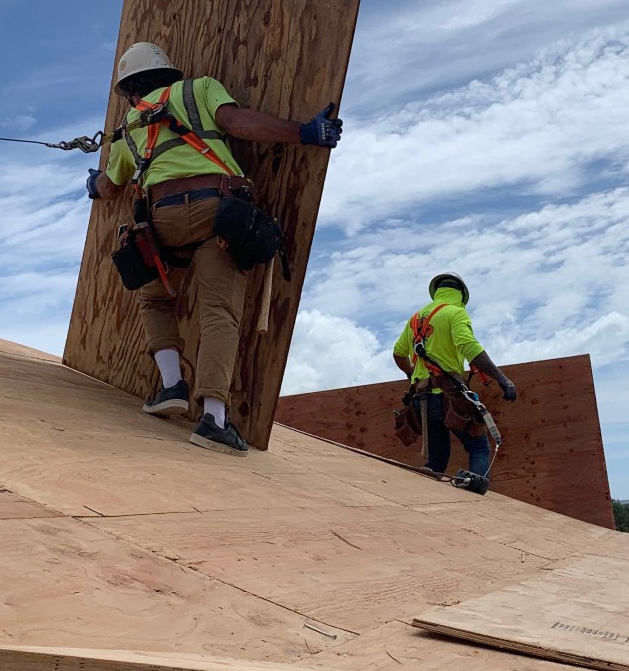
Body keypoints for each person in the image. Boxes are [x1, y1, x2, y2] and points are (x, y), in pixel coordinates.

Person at [85, 41, 342, 456]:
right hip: (217, 212)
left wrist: (93, 184)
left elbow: (109, 187)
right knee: (218, 311)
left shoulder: (128, 126)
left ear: (131, 91)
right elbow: (238, 123)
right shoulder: (199, 89)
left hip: (161, 219)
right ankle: (214, 420)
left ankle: (171, 385)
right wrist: (305, 133)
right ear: (169, 75)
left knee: (154, 298)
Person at [392, 272, 517, 478]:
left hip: (421, 402)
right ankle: (477, 500)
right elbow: (469, 346)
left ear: (437, 292)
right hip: (449, 398)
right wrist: (502, 378)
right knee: (479, 448)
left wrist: (412, 374)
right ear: (460, 294)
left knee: (437, 463)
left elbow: (398, 353)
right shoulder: (455, 313)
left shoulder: (415, 320)